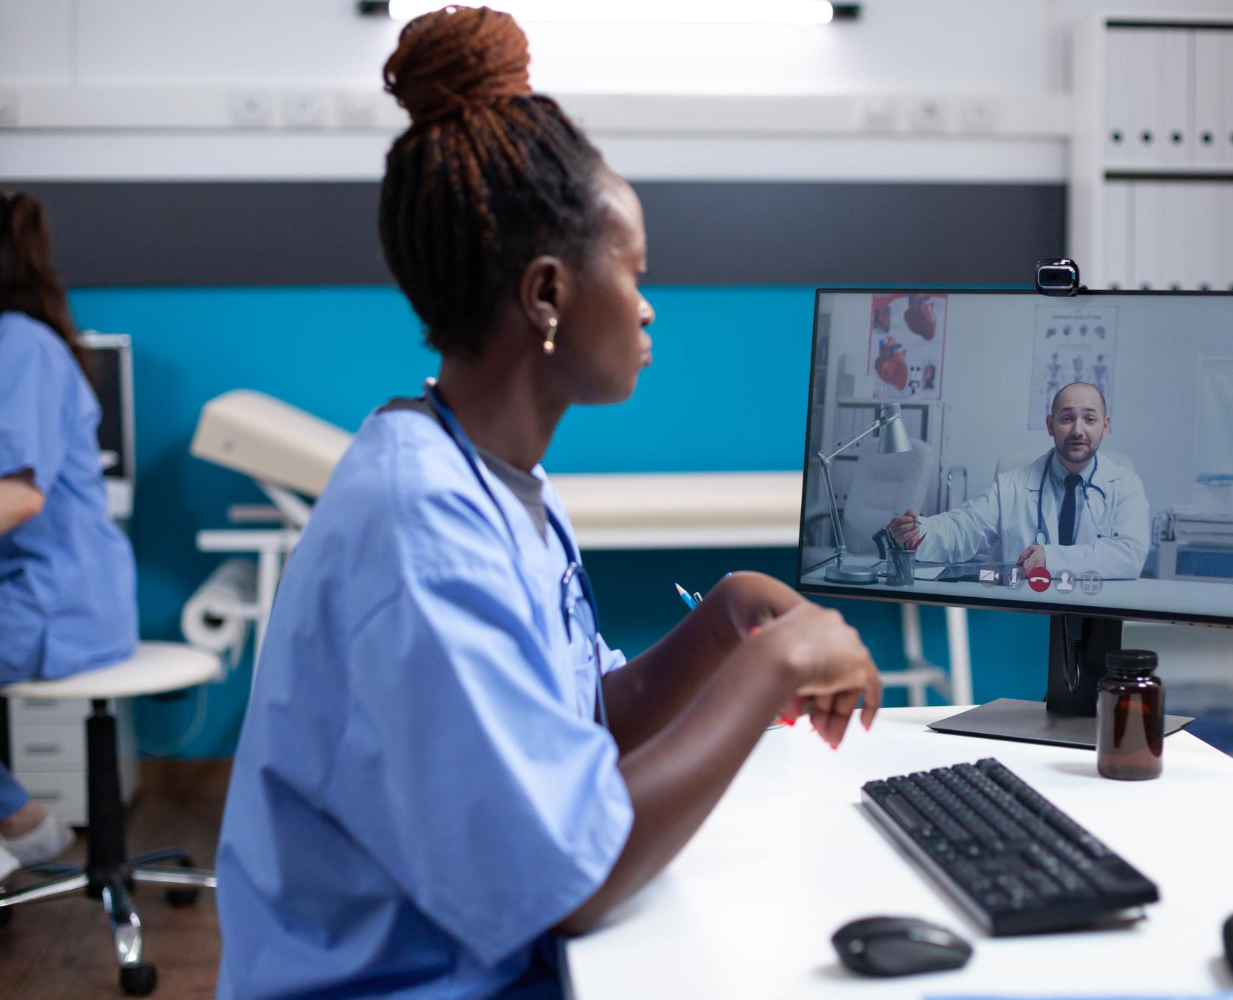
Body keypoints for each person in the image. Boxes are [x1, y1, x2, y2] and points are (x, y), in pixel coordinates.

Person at [213, 9, 882, 998]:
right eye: (635, 270)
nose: (649, 305)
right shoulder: (422, 527)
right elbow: (573, 874)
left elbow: (575, 730)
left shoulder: (489, 478)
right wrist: (777, 665)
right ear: (547, 295)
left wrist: (722, 627)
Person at [0, 190, 139, 880]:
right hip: (42, 592)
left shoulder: (21, 347)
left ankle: (19, 820)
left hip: (58, 603)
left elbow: (19, 497)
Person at [886, 381, 1149, 580]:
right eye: (1066, 418)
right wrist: (920, 531)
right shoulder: (1011, 486)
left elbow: (1131, 555)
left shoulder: (1125, 485)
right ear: (1050, 425)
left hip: (1095, 612)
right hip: (1025, 615)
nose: (1077, 430)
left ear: (1105, 426)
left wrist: (1051, 558)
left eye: (1089, 419)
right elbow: (963, 528)